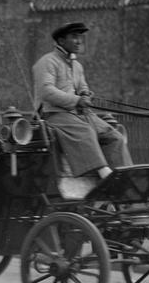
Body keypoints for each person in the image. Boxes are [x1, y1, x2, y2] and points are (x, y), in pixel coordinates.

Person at [32, 22, 132, 179]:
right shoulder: (47, 62)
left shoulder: (77, 66)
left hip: (78, 114)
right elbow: (47, 92)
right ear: (61, 40)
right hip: (53, 114)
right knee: (86, 131)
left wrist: (85, 94)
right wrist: (77, 100)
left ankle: (123, 177)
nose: (79, 41)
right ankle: (103, 173)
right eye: (74, 37)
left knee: (113, 136)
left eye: (80, 37)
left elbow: (83, 86)